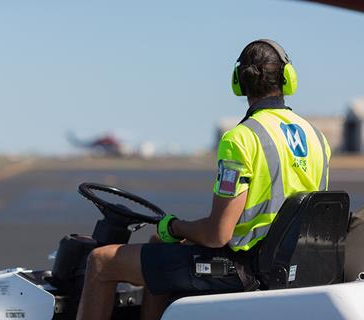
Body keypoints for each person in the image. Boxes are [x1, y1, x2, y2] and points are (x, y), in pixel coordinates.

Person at [76, 39, 330, 320]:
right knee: (159, 247)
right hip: (292, 265)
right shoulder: (315, 136)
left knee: (100, 263)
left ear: (238, 82)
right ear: (287, 79)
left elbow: (217, 234)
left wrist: (174, 226)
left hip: (244, 269)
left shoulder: (242, 138)